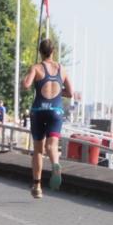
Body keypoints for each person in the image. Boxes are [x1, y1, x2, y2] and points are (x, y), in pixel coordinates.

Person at [21, 38, 73, 199]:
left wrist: (30, 75)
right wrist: (58, 92)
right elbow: (70, 93)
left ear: (40, 52)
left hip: (38, 110)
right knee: (52, 146)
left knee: (38, 150)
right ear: (53, 51)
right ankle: (55, 164)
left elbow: (26, 85)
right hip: (56, 111)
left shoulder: (37, 68)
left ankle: (37, 186)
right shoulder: (61, 69)